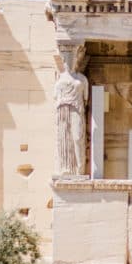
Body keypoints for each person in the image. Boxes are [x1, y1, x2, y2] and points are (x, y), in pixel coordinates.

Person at [54, 47, 88, 176]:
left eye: (73, 57)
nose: (70, 61)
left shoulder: (82, 79)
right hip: (63, 110)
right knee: (64, 138)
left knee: (78, 137)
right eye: (67, 57)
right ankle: (66, 169)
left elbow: (86, 99)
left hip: (77, 109)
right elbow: (55, 96)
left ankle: (80, 169)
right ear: (62, 59)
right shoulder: (59, 81)